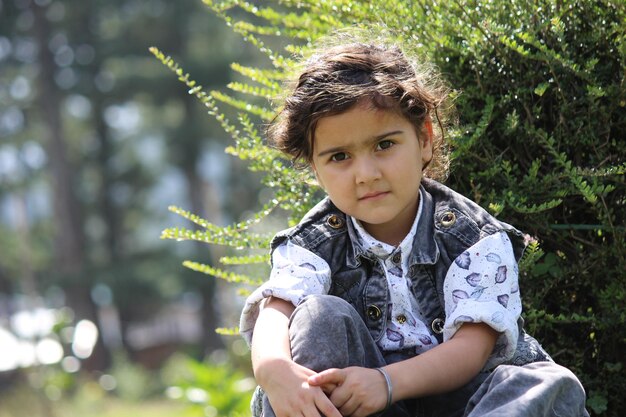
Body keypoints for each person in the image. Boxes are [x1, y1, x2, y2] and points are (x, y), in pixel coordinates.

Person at [239, 32, 589, 417]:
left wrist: (388, 383)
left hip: (470, 404)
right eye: (339, 156)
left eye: (384, 145)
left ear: (424, 139)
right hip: (359, 406)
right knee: (318, 318)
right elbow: (275, 314)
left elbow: (471, 350)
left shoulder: (472, 238)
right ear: (315, 170)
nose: (366, 174)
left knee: (546, 384)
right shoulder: (314, 244)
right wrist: (274, 371)